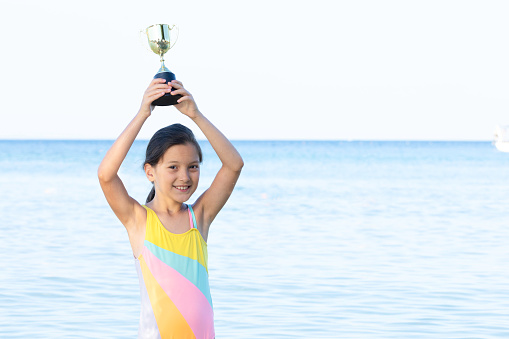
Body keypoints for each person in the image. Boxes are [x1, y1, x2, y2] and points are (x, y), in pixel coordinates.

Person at [97, 78, 243, 338]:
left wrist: (195, 115)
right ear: (150, 172)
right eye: (173, 167)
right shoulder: (139, 220)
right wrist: (143, 113)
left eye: (193, 166)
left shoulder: (199, 217)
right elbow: (106, 175)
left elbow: (233, 165)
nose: (185, 177)